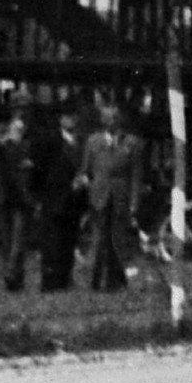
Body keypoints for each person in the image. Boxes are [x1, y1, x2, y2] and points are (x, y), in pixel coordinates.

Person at [81, 100, 142, 292]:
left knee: (116, 239)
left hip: (120, 196)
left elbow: (136, 176)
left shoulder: (132, 143)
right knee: (100, 239)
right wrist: (89, 190)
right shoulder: (93, 142)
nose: (111, 122)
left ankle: (114, 281)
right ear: (102, 121)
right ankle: (96, 281)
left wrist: (133, 202)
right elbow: (86, 170)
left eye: (114, 118)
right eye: (107, 118)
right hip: (99, 196)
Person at [0, 101, 37, 292]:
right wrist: (7, 138)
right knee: (8, 240)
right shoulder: (3, 144)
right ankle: (15, 279)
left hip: (21, 198)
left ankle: (11, 274)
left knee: (17, 240)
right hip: (6, 196)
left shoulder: (27, 146)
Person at [35, 104, 83, 291]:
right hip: (53, 198)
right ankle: (49, 281)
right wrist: (40, 196)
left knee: (69, 241)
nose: (70, 120)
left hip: (73, 200)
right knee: (51, 242)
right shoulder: (50, 140)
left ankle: (65, 278)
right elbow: (40, 170)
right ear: (61, 119)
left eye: (73, 116)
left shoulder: (79, 141)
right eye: (66, 116)